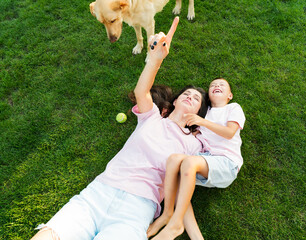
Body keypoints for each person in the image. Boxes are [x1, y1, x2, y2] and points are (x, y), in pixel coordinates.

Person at [30, 17, 207, 240]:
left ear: (199, 113)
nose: (190, 97)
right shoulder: (152, 117)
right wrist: (154, 60)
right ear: (174, 102)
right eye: (187, 94)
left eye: (197, 98)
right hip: (99, 192)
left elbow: (186, 181)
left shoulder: (195, 142)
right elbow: (142, 92)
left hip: (136, 209)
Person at [147, 78, 246, 240]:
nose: (217, 86)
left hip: (227, 163)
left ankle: (174, 222)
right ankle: (179, 224)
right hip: (206, 161)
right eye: (213, 85)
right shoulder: (203, 116)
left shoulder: (232, 108)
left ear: (230, 95)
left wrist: (202, 122)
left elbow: (229, 133)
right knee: (173, 164)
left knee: (188, 162)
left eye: (222, 85)